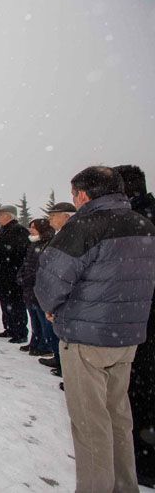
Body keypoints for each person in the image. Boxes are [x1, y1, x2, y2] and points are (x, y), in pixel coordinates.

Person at [35, 166, 155, 492]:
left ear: (84, 194)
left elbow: (50, 282)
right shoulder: (143, 224)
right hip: (127, 336)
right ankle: (123, 484)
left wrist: (53, 308)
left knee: (90, 422)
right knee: (118, 415)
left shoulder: (86, 226)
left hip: (87, 338)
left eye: (74, 195)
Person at [115, 164, 155, 487]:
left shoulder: (137, 224)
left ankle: (145, 460)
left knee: (141, 393)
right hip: (137, 321)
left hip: (141, 325)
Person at [37, 202, 77, 377]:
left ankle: (67, 369)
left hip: (67, 295)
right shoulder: (60, 235)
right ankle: (59, 360)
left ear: (66, 217)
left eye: (54, 215)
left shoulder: (73, 236)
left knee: (68, 336)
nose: (50, 219)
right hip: (55, 292)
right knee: (56, 332)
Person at [0, 205, 29, 344]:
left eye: (0, 215)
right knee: (5, 304)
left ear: (8, 216)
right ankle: (9, 328)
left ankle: (20, 332)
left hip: (12, 275)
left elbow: (19, 252)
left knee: (16, 304)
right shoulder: (3, 230)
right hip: (2, 274)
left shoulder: (19, 230)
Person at [16, 219, 56, 357]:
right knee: (34, 317)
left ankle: (46, 345)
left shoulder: (48, 243)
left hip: (39, 286)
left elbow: (41, 267)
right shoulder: (34, 243)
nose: (31, 230)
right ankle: (35, 341)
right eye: (30, 227)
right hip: (29, 287)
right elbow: (27, 262)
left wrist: (28, 278)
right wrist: (21, 275)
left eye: (34, 227)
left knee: (43, 318)